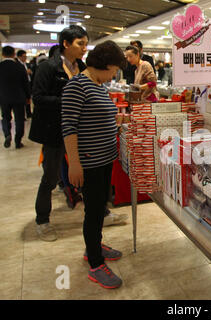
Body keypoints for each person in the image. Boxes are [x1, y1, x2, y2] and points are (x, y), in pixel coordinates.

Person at [62, 40, 127, 289]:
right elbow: (68, 126)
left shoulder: (98, 85)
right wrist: (74, 164)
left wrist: (116, 124)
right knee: (93, 211)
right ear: (106, 65)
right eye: (114, 69)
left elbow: (98, 117)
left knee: (99, 208)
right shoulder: (77, 86)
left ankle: (94, 246)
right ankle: (95, 263)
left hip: (103, 159)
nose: (114, 74)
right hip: (89, 162)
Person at [29, 25, 89, 241]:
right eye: (79, 43)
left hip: (78, 130)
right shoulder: (48, 67)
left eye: (85, 44)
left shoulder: (81, 67)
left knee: (86, 172)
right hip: (53, 131)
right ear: (66, 43)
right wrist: (67, 101)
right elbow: (38, 98)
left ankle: (100, 212)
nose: (84, 48)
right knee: (51, 176)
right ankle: (42, 220)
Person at [0, 46, 30, 149]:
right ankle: (18, 141)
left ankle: (7, 134)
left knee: (5, 118)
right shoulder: (19, 67)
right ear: (14, 54)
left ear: (3, 54)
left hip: (3, 97)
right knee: (19, 119)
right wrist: (28, 96)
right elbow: (25, 83)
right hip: (19, 96)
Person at [16, 49, 33, 119]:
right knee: (23, 99)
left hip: (28, 83)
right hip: (21, 85)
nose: (25, 58)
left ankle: (29, 113)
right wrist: (25, 72)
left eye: (25, 56)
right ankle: (23, 115)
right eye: (23, 56)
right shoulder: (17, 65)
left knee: (28, 98)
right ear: (19, 57)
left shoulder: (26, 64)